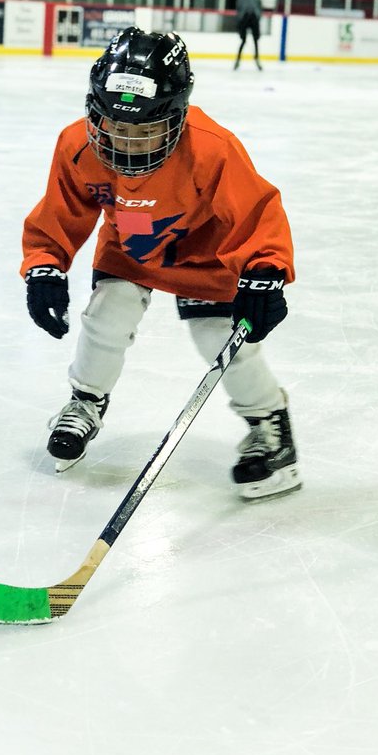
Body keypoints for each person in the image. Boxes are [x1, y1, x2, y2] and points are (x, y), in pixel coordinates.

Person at [20, 27, 300, 501]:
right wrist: (45, 265)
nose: (128, 144)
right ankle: (85, 402)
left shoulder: (212, 148)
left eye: (146, 130)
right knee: (108, 312)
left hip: (204, 256)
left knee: (221, 339)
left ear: (176, 116)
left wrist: (265, 272)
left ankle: (271, 430)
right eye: (116, 128)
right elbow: (60, 212)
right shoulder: (77, 146)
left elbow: (257, 212)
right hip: (130, 248)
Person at [234, 0, 263, 71]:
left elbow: (259, 9)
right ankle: (239, 60)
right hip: (247, 19)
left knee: (251, 40)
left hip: (249, 19)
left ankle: (254, 59)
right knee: (249, 40)